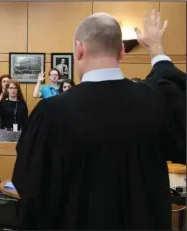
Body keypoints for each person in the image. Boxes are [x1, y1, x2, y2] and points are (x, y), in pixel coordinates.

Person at [12, 10, 185, 230]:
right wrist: (157, 51)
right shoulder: (155, 101)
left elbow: (29, 186)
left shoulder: (51, 112)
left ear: (79, 49)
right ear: (122, 51)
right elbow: (178, 111)